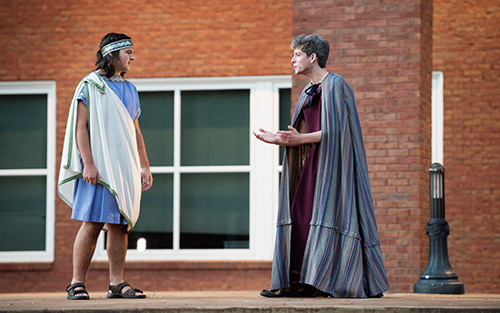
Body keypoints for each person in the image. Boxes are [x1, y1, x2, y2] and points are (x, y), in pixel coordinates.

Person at [253, 34, 389, 298]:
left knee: (330, 216)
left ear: (312, 57)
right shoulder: (307, 92)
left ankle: (329, 282)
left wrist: (302, 138)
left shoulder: (337, 85)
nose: (292, 60)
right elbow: (300, 134)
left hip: (333, 168)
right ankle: (300, 282)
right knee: (301, 215)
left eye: (297, 54)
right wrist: (278, 139)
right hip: (312, 165)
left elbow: (340, 131)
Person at [58, 33, 153, 300]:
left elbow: (135, 131)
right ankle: (76, 283)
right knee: (92, 222)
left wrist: (144, 166)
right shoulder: (90, 85)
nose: (133, 57)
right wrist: (88, 164)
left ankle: (117, 284)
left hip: (125, 168)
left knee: (121, 225)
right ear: (112, 54)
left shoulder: (130, 89)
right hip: (98, 169)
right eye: (129, 52)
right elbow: (80, 129)